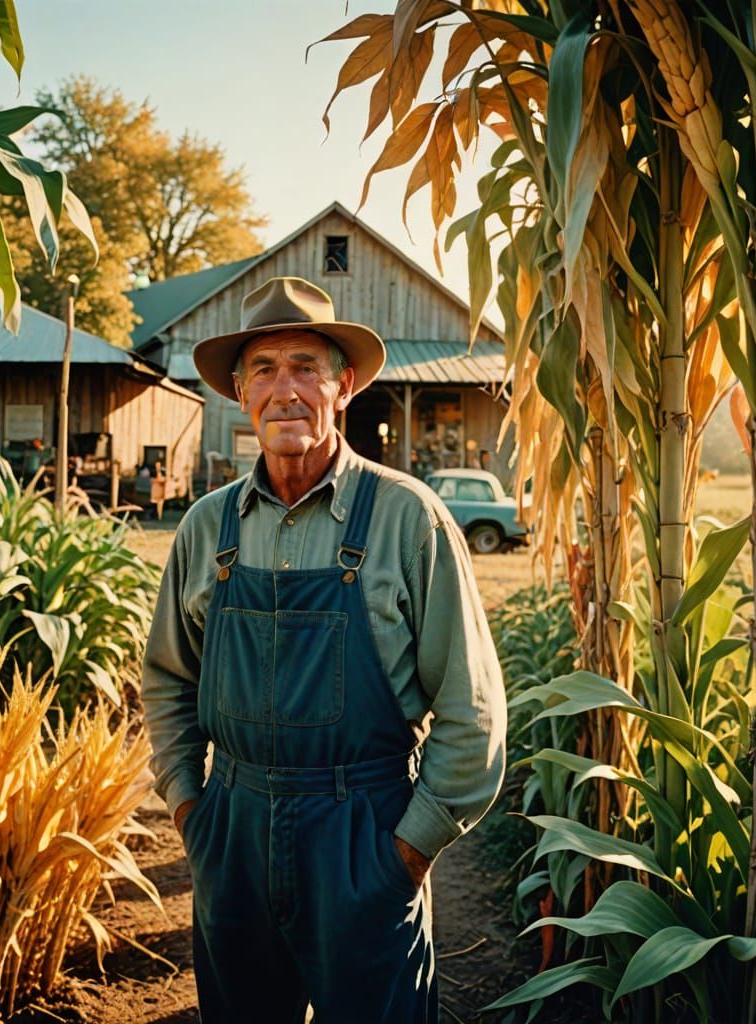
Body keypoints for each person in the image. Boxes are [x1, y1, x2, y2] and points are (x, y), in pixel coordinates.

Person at [142, 277, 507, 1023]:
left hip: (362, 833)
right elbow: (166, 680)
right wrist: (190, 809)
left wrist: (407, 852)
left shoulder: (409, 519)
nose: (286, 389)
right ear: (239, 391)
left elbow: (472, 710)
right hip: (233, 831)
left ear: (342, 387)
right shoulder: (206, 529)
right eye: (265, 368)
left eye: (306, 365)